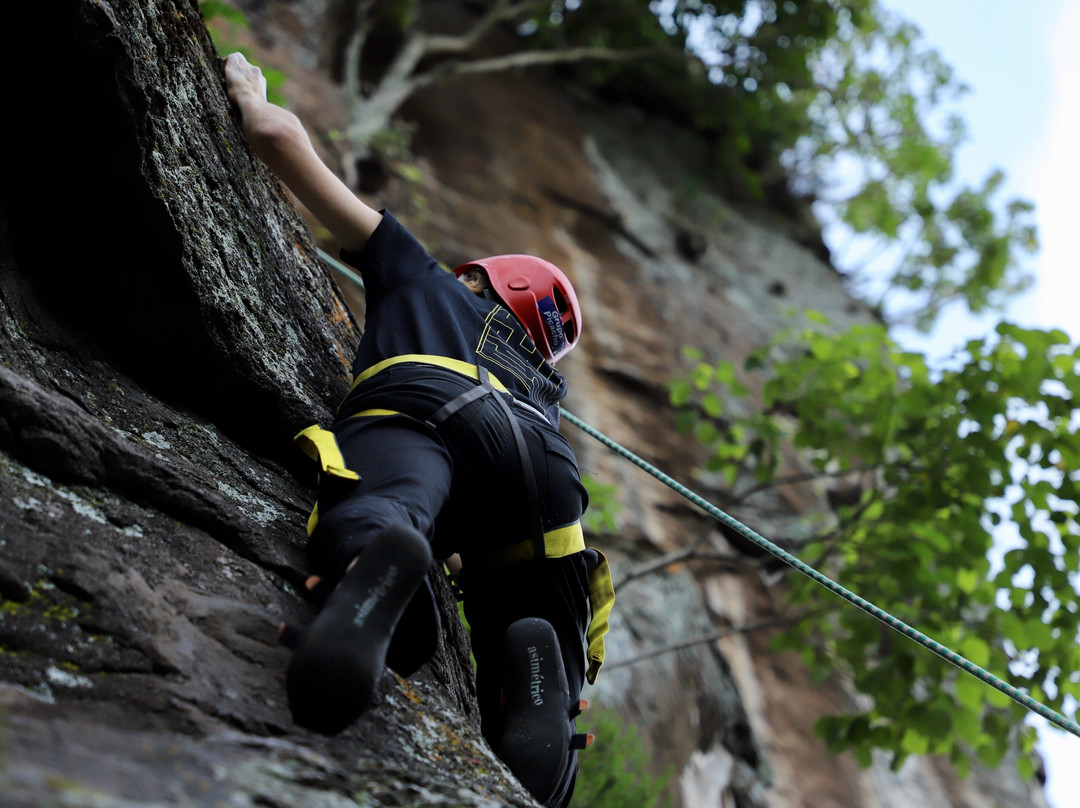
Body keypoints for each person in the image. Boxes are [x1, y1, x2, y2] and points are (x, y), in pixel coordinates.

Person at [224, 52, 613, 808]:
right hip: (542, 463)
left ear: (484, 280)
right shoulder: (545, 382)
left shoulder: (423, 276)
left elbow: (276, 139)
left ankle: (379, 567)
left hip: (429, 403)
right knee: (541, 592)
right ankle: (543, 693)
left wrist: (247, 85)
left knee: (391, 495)